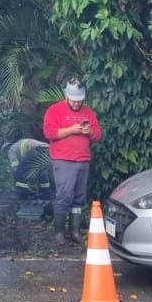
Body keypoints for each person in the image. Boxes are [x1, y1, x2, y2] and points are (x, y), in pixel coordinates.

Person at [43, 76, 102, 245]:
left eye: (80, 101)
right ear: (66, 96)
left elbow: (98, 135)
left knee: (78, 197)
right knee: (64, 196)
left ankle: (75, 232)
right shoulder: (54, 110)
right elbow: (49, 133)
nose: (77, 104)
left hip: (83, 160)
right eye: (74, 100)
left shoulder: (88, 112)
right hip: (63, 160)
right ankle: (59, 234)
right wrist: (71, 130)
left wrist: (89, 131)